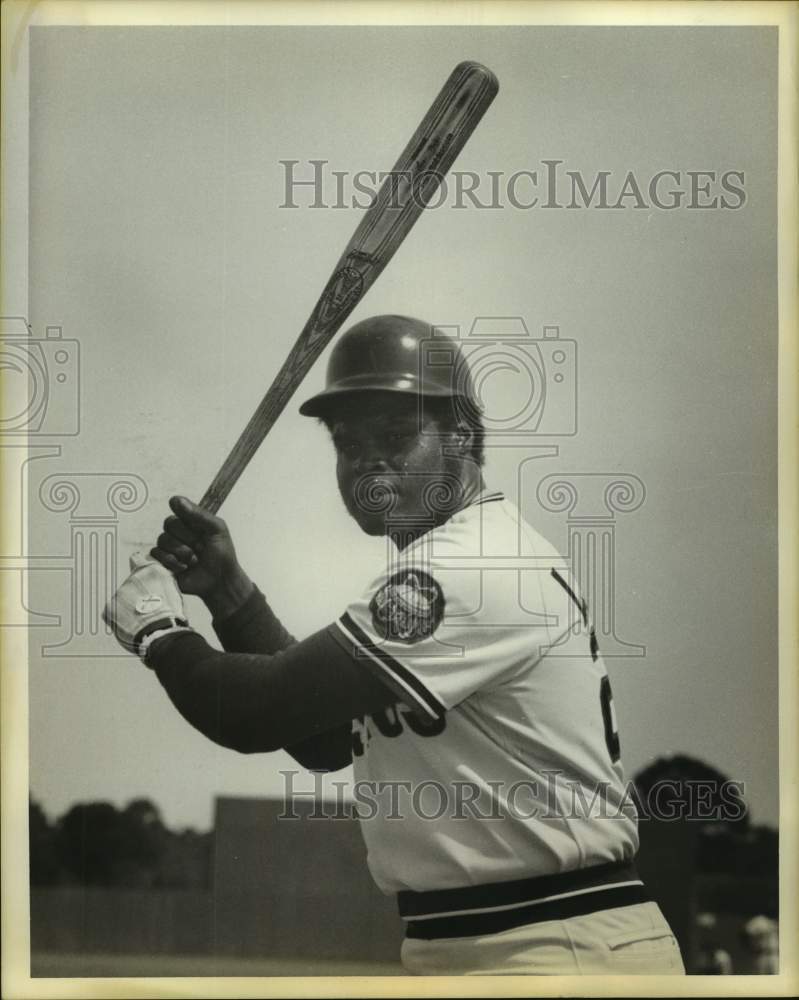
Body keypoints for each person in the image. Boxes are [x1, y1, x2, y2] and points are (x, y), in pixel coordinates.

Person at [104, 314, 685, 975]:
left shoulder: (469, 566)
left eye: (396, 434)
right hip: (493, 941)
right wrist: (230, 596)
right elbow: (322, 738)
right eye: (348, 443)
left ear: (460, 436)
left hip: (554, 942)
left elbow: (254, 713)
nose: (368, 460)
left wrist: (157, 629)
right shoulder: (461, 557)